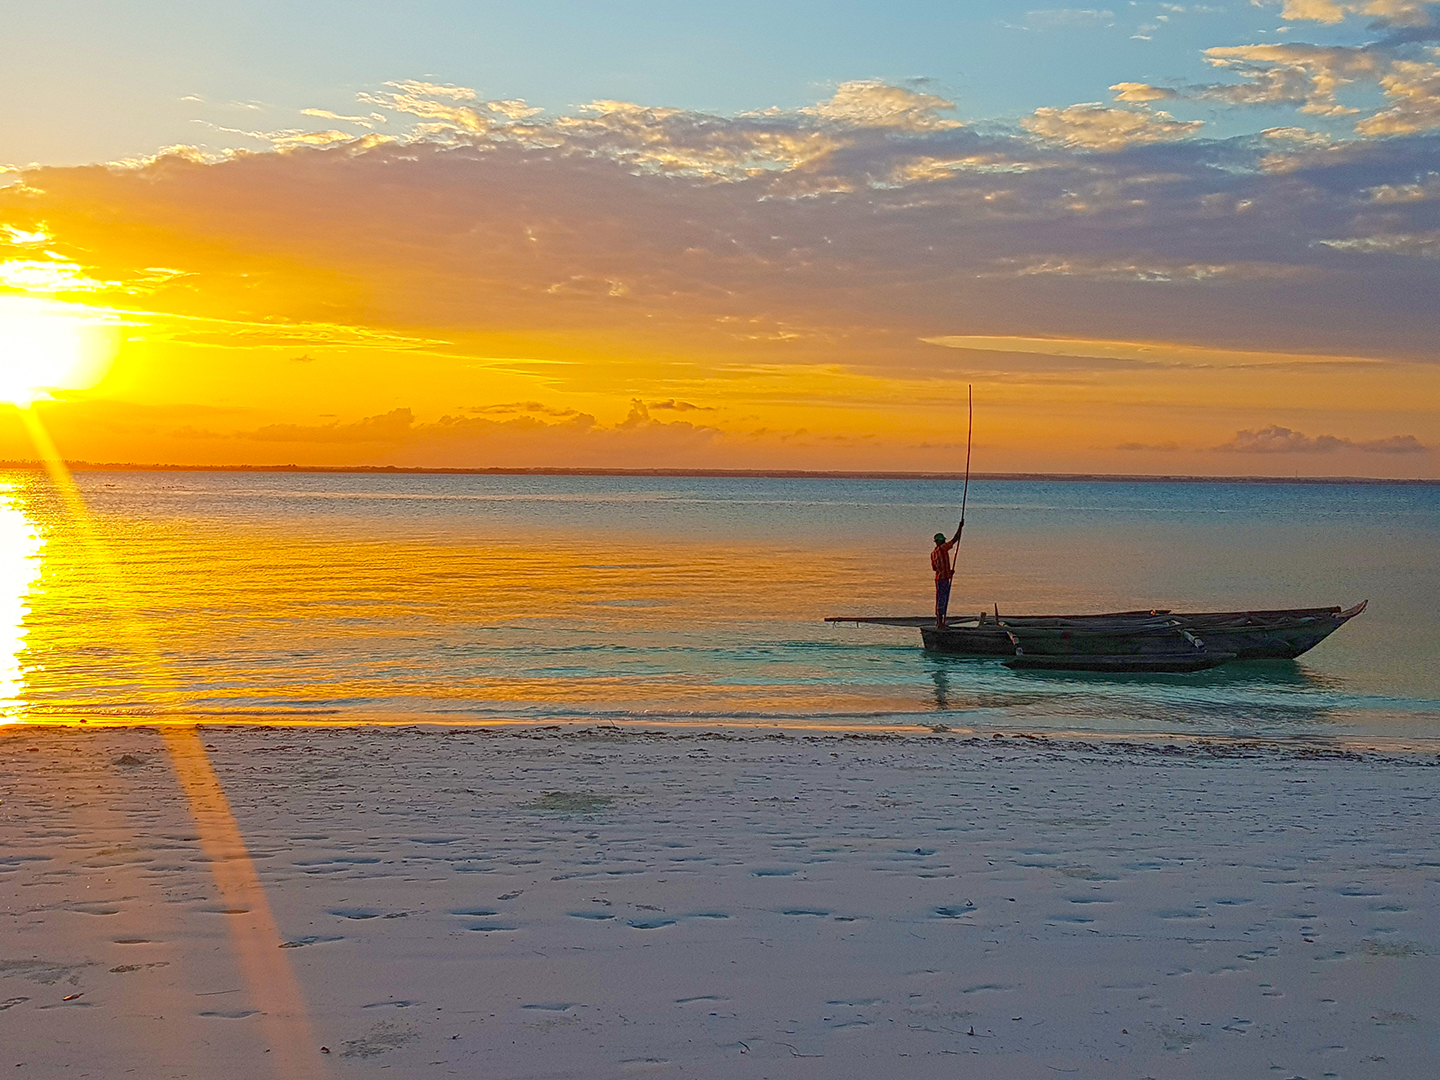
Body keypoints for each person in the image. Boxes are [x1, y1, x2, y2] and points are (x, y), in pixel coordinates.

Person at [930, 521, 963, 629]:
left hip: (939, 578)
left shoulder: (933, 553)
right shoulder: (943, 548)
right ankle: (940, 623)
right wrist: (960, 527)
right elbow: (955, 539)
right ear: (941, 542)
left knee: (940, 598)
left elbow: (935, 568)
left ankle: (939, 621)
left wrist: (949, 571)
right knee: (943, 599)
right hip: (943, 579)